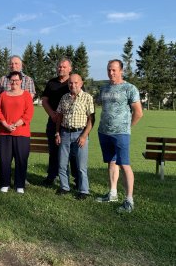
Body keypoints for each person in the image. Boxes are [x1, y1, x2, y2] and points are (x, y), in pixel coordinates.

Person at [96, 59, 143, 213]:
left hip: (121, 133)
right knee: (111, 161)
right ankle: (112, 193)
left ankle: (129, 200)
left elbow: (138, 112)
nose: (111, 73)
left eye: (114, 70)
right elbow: (97, 105)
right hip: (104, 131)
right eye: (109, 69)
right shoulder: (104, 89)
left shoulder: (130, 88)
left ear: (121, 70)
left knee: (124, 164)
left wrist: (128, 127)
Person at [55, 74, 94, 200]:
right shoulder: (64, 98)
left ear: (81, 83)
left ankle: (84, 190)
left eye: (76, 83)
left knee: (81, 165)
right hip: (65, 133)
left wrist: (84, 136)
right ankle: (64, 187)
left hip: (80, 134)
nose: (73, 85)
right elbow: (59, 116)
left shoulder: (87, 98)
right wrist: (57, 132)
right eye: (71, 83)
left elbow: (91, 119)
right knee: (62, 163)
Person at [0, 71, 34, 194]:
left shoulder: (26, 95)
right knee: (5, 159)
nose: (14, 82)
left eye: (17, 80)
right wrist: (5, 124)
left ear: (21, 81)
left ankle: (19, 184)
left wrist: (16, 124)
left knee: (21, 159)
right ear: (9, 81)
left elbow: (29, 113)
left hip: (21, 133)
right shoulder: (3, 95)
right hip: (4, 133)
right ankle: (5, 183)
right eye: (12, 80)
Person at [41, 58, 78, 187]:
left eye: (64, 67)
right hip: (53, 121)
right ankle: (51, 176)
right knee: (54, 151)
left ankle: (77, 179)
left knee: (73, 153)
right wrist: (52, 114)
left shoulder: (74, 82)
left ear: (70, 69)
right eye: (59, 67)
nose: (61, 69)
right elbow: (44, 100)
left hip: (70, 123)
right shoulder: (51, 83)